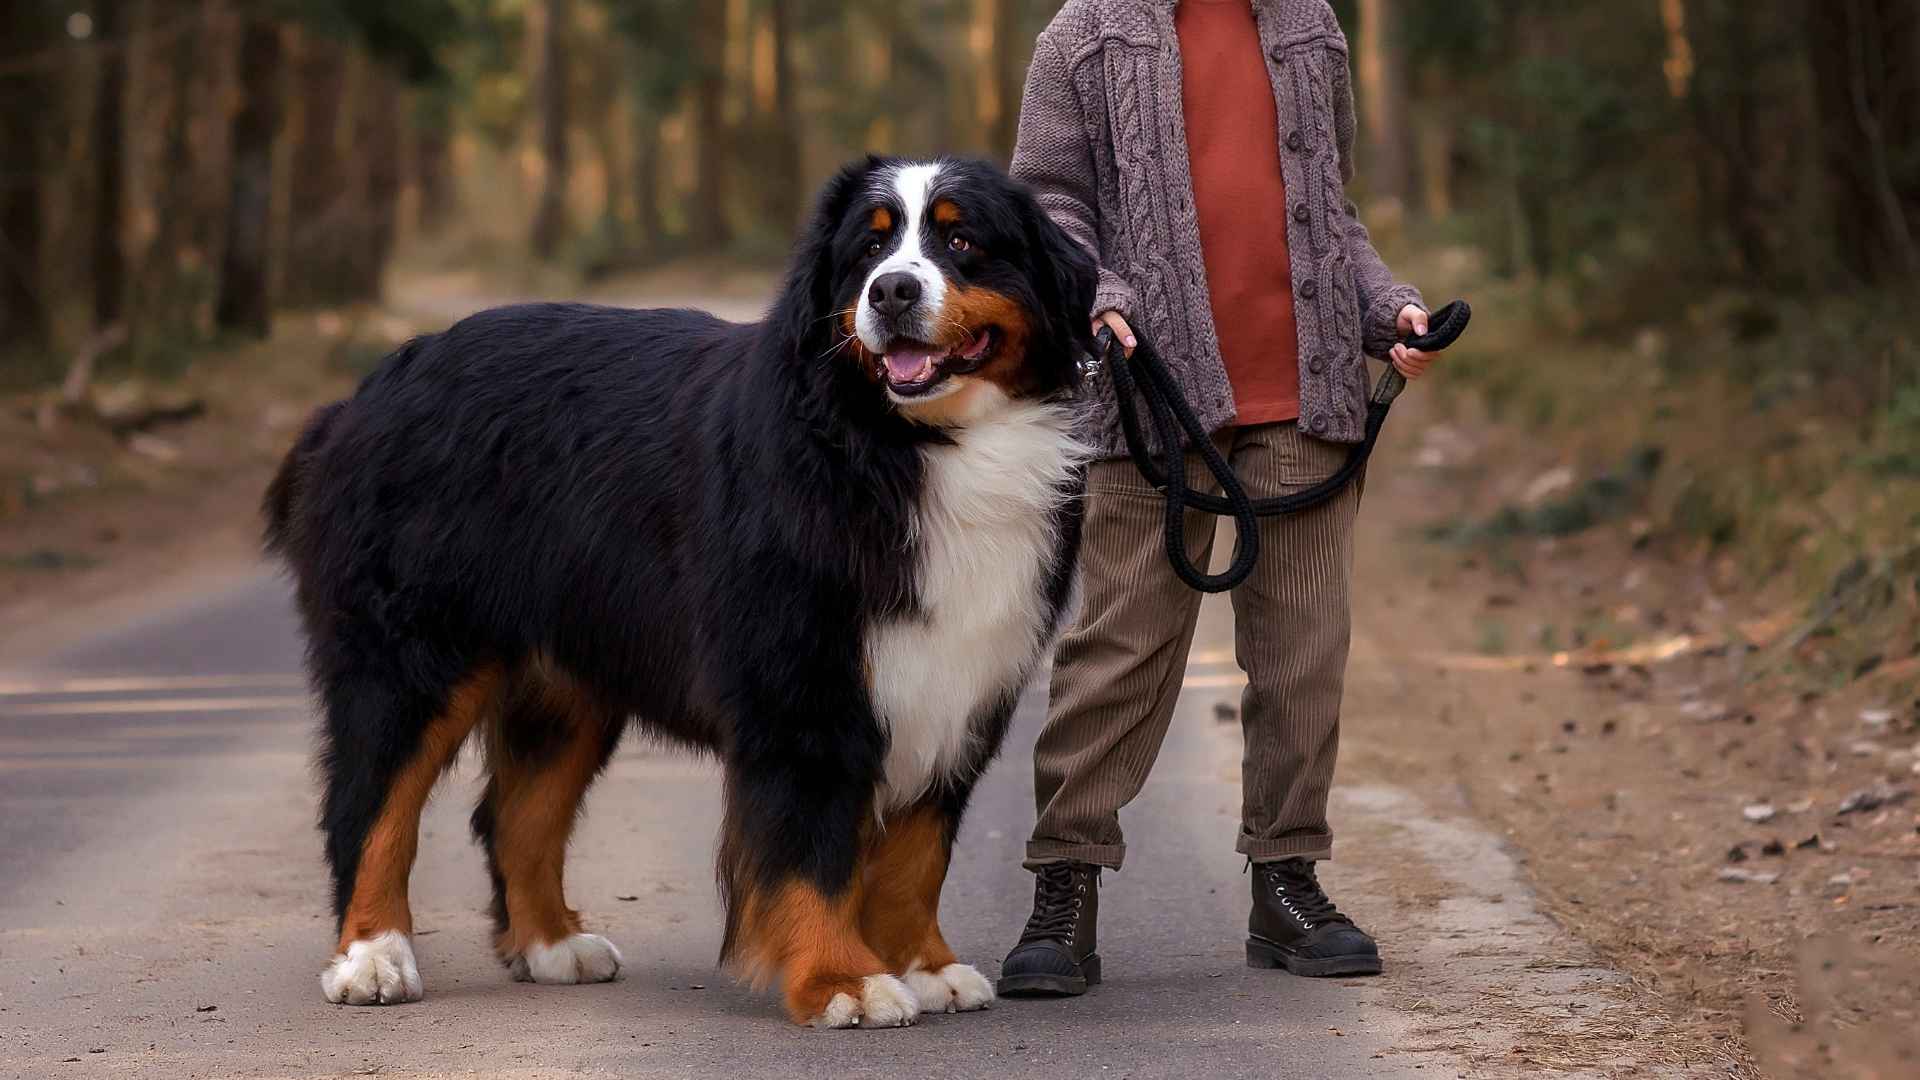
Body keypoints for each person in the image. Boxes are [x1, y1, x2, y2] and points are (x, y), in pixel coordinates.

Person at [997, 0, 1438, 996]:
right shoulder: (1085, 33)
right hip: (1151, 399)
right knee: (1117, 654)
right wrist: (1092, 295)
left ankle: (1287, 884)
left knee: (1304, 658)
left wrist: (1388, 310)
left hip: (1306, 398)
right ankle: (1064, 887)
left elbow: (1331, 213)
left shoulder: (1312, 25)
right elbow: (1047, 205)